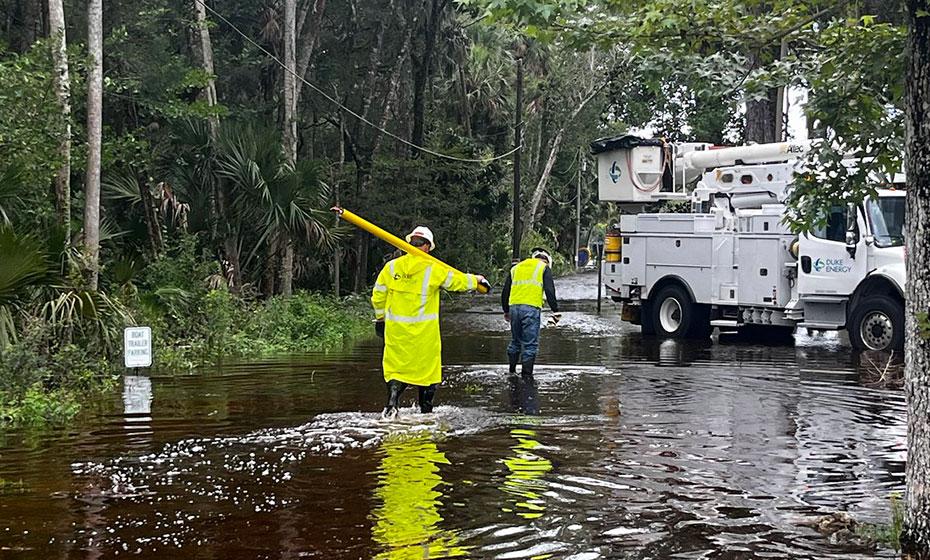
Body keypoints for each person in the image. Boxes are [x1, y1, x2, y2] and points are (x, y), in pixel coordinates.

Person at [372, 226, 486, 419]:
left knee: (396, 369)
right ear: (427, 247)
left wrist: (380, 319)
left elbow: (378, 295)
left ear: (410, 243)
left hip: (397, 333)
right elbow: (457, 282)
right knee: (427, 373)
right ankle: (426, 414)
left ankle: (392, 404)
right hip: (424, 335)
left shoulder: (391, 268)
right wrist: (476, 281)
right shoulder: (434, 269)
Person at [501, 247, 559, 378]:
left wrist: (506, 310)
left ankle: (511, 372)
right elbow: (550, 291)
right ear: (547, 261)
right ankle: (527, 377)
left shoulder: (516, 268)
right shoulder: (544, 268)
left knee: (515, 341)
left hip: (514, 308)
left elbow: (505, 291)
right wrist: (555, 310)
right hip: (531, 309)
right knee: (530, 345)